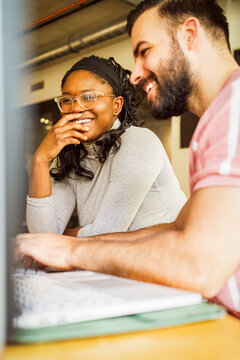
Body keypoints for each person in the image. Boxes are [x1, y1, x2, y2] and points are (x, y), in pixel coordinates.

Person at [16, 0, 240, 316]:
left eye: (145, 51)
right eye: (67, 100)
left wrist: (70, 247)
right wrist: (41, 163)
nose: (134, 75)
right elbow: (178, 228)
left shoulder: (233, 112)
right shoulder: (217, 120)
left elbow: (199, 265)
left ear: (190, 35)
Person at [26, 55, 186, 237]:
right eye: (67, 100)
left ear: (116, 105)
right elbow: (43, 233)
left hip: (172, 258)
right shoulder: (70, 155)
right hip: (117, 261)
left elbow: (105, 233)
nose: (76, 108)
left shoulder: (139, 142)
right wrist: (40, 160)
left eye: (88, 97)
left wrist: (54, 239)